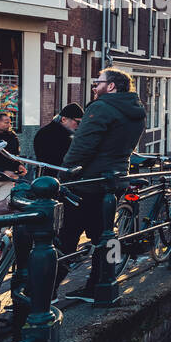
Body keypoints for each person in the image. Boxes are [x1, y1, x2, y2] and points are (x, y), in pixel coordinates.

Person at [58, 68, 147, 302]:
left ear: (111, 86)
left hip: (90, 182)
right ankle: (100, 284)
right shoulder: (136, 110)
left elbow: (82, 146)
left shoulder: (101, 107)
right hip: (115, 179)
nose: (94, 87)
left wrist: (65, 174)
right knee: (104, 234)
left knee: (67, 236)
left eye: (98, 83)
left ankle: (44, 294)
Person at [33, 104, 83, 177]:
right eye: (78, 122)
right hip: (52, 178)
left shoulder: (57, 132)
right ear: (64, 119)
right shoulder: (49, 134)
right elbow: (56, 159)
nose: (79, 126)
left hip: (50, 175)